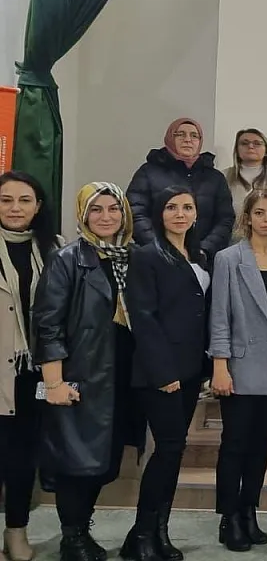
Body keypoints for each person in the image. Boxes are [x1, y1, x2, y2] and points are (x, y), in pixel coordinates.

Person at [34, 183, 146, 561]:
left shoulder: (133, 256)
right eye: (96, 210)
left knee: (103, 461)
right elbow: (47, 325)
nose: (106, 217)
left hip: (124, 377)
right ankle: (73, 538)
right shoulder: (66, 259)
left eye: (113, 208)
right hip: (82, 376)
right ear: (83, 215)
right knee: (76, 462)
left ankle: (82, 529)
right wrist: (54, 382)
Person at [121, 187, 211, 561]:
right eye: (172, 207)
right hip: (159, 372)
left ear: (196, 214)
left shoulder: (200, 255)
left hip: (190, 370)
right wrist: (163, 371)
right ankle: (143, 533)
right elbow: (143, 317)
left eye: (187, 207)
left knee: (174, 451)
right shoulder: (146, 255)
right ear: (160, 214)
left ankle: (159, 531)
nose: (180, 213)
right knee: (169, 448)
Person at [208, 189, 267, 551]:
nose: (266, 219)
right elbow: (219, 316)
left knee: (262, 441)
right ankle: (228, 516)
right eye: (259, 213)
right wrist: (219, 365)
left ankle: (249, 510)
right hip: (240, 364)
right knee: (235, 442)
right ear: (247, 217)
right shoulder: (229, 258)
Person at [0, 172, 61, 561]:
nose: (15, 208)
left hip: (34, 371)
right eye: (6, 200)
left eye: (24, 200)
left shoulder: (54, 248)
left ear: (38, 206)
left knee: (23, 455)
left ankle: (16, 531)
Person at [126, 117, 235, 256]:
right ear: (170, 138)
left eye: (194, 135)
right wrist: (160, 248)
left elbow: (225, 219)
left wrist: (204, 250)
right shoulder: (148, 172)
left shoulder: (214, 177)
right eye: (180, 134)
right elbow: (135, 213)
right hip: (157, 257)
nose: (188, 140)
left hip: (203, 258)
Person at [222, 128, 267, 222]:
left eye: (257, 143)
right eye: (244, 143)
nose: (250, 146)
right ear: (237, 150)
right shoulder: (224, 176)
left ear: (266, 151)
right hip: (232, 230)